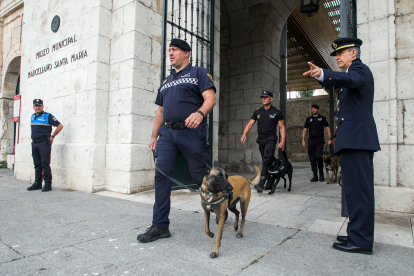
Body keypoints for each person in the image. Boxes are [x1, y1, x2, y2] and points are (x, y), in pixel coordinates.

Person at [303, 37, 380, 255]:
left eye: (340, 53)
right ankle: (356, 233)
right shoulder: (351, 75)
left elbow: (349, 80)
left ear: (353, 54)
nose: (337, 57)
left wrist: (323, 73)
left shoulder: (360, 71)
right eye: (336, 55)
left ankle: (362, 240)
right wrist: (322, 78)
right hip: (352, 140)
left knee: (360, 192)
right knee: (354, 192)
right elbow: (345, 84)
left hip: (358, 140)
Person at [137, 39, 216, 243]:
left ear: (186, 53)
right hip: (168, 134)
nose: (170, 53)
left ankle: (219, 202)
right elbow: (160, 111)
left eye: (174, 50)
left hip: (192, 132)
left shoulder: (199, 73)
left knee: (201, 175)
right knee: (161, 175)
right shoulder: (166, 81)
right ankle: (160, 226)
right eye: (169, 50)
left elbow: (210, 98)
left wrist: (200, 113)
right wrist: (154, 136)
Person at [240, 90, 286, 192]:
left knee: (266, 160)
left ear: (271, 98)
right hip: (261, 140)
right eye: (262, 97)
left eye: (266, 97)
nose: (264, 99)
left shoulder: (277, 112)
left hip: (271, 139)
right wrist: (244, 134)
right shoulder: (257, 111)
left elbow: (282, 127)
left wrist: (282, 141)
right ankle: (270, 181)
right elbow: (250, 124)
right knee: (268, 161)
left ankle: (261, 183)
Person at [27, 99, 63, 192]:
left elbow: (60, 126)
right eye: (36, 106)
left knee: (45, 164)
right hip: (34, 143)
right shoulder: (32, 116)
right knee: (37, 164)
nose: (37, 107)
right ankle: (37, 183)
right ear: (33, 107)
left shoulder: (48, 116)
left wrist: (52, 136)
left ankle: (47, 184)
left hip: (44, 143)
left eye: (39, 105)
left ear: (42, 106)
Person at [302, 104, 332, 182]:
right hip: (311, 141)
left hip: (319, 140)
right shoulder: (309, 119)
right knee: (312, 159)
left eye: (314, 109)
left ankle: (321, 173)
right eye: (312, 109)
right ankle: (315, 175)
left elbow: (328, 128)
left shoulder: (322, 118)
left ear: (318, 110)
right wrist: (303, 140)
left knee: (318, 156)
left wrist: (330, 138)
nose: (313, 110)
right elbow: (305, 129)